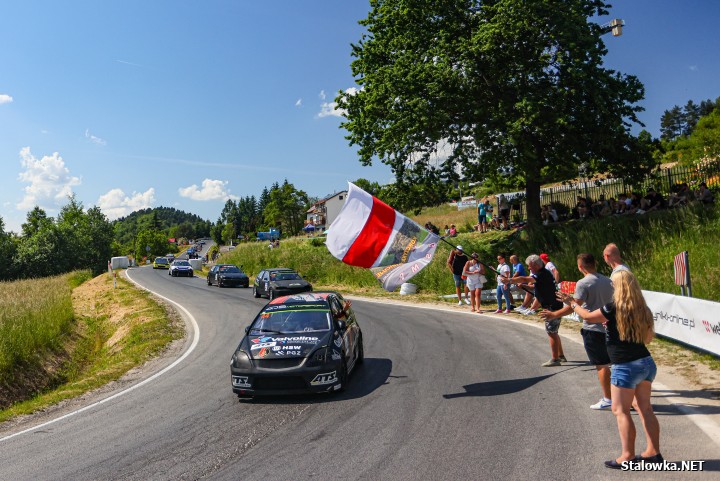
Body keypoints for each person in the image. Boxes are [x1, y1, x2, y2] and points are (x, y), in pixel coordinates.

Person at [558, 270, 661, 469]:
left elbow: (587, 316)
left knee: (620, 410)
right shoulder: (643, 309)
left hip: (625, 365)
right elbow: (648, 338)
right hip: (646, 361)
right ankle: (653, 452)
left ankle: (627, 456)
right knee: (645, 408)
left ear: (618, 287)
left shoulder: (612, 307)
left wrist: (572, 303)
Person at [540, 253, 614, 409]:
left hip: (593, 328)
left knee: (601, 365)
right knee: (616, 364)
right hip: (611, 327)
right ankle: (623, 396)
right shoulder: (609, 281)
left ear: (580, 267)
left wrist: (553, 314)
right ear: (595, 263)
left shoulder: (583, 283)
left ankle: (608, 398)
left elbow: (573, 306)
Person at [506, 254, 566, 366]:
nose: (529, 268)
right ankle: (561, 355)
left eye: (530, 266)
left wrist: (510, 280)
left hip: (552, 307)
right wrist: (525, 287)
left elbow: (525, 278)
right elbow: (536, 287)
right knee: (554, 332)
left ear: (537, 265)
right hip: (553, 305)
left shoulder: (542, 273)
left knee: (551, 332)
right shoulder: (542, 274)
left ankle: (555, 359)